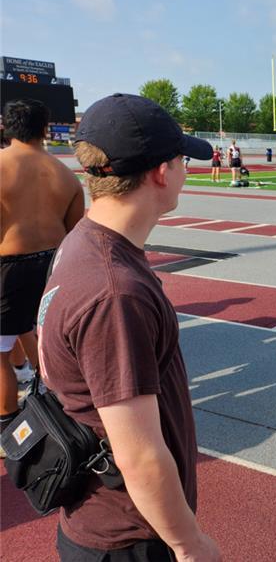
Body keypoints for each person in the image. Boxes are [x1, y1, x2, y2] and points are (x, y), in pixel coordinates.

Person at [38, 93, 221, 561]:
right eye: (181, 159)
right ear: (161, 172)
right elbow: (138, 455)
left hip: (102, 523)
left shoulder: (82, 240)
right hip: (128, 538)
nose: (185, 170)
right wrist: (189, 544)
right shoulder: (115, 291)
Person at [0, 99, 84, 436]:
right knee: (40, 337)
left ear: (6, 126)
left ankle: (6, 425)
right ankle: (55, 404)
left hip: (6, 268)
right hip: (50, 266)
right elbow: (76, 234)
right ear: (45, 130)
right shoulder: (66, 176)